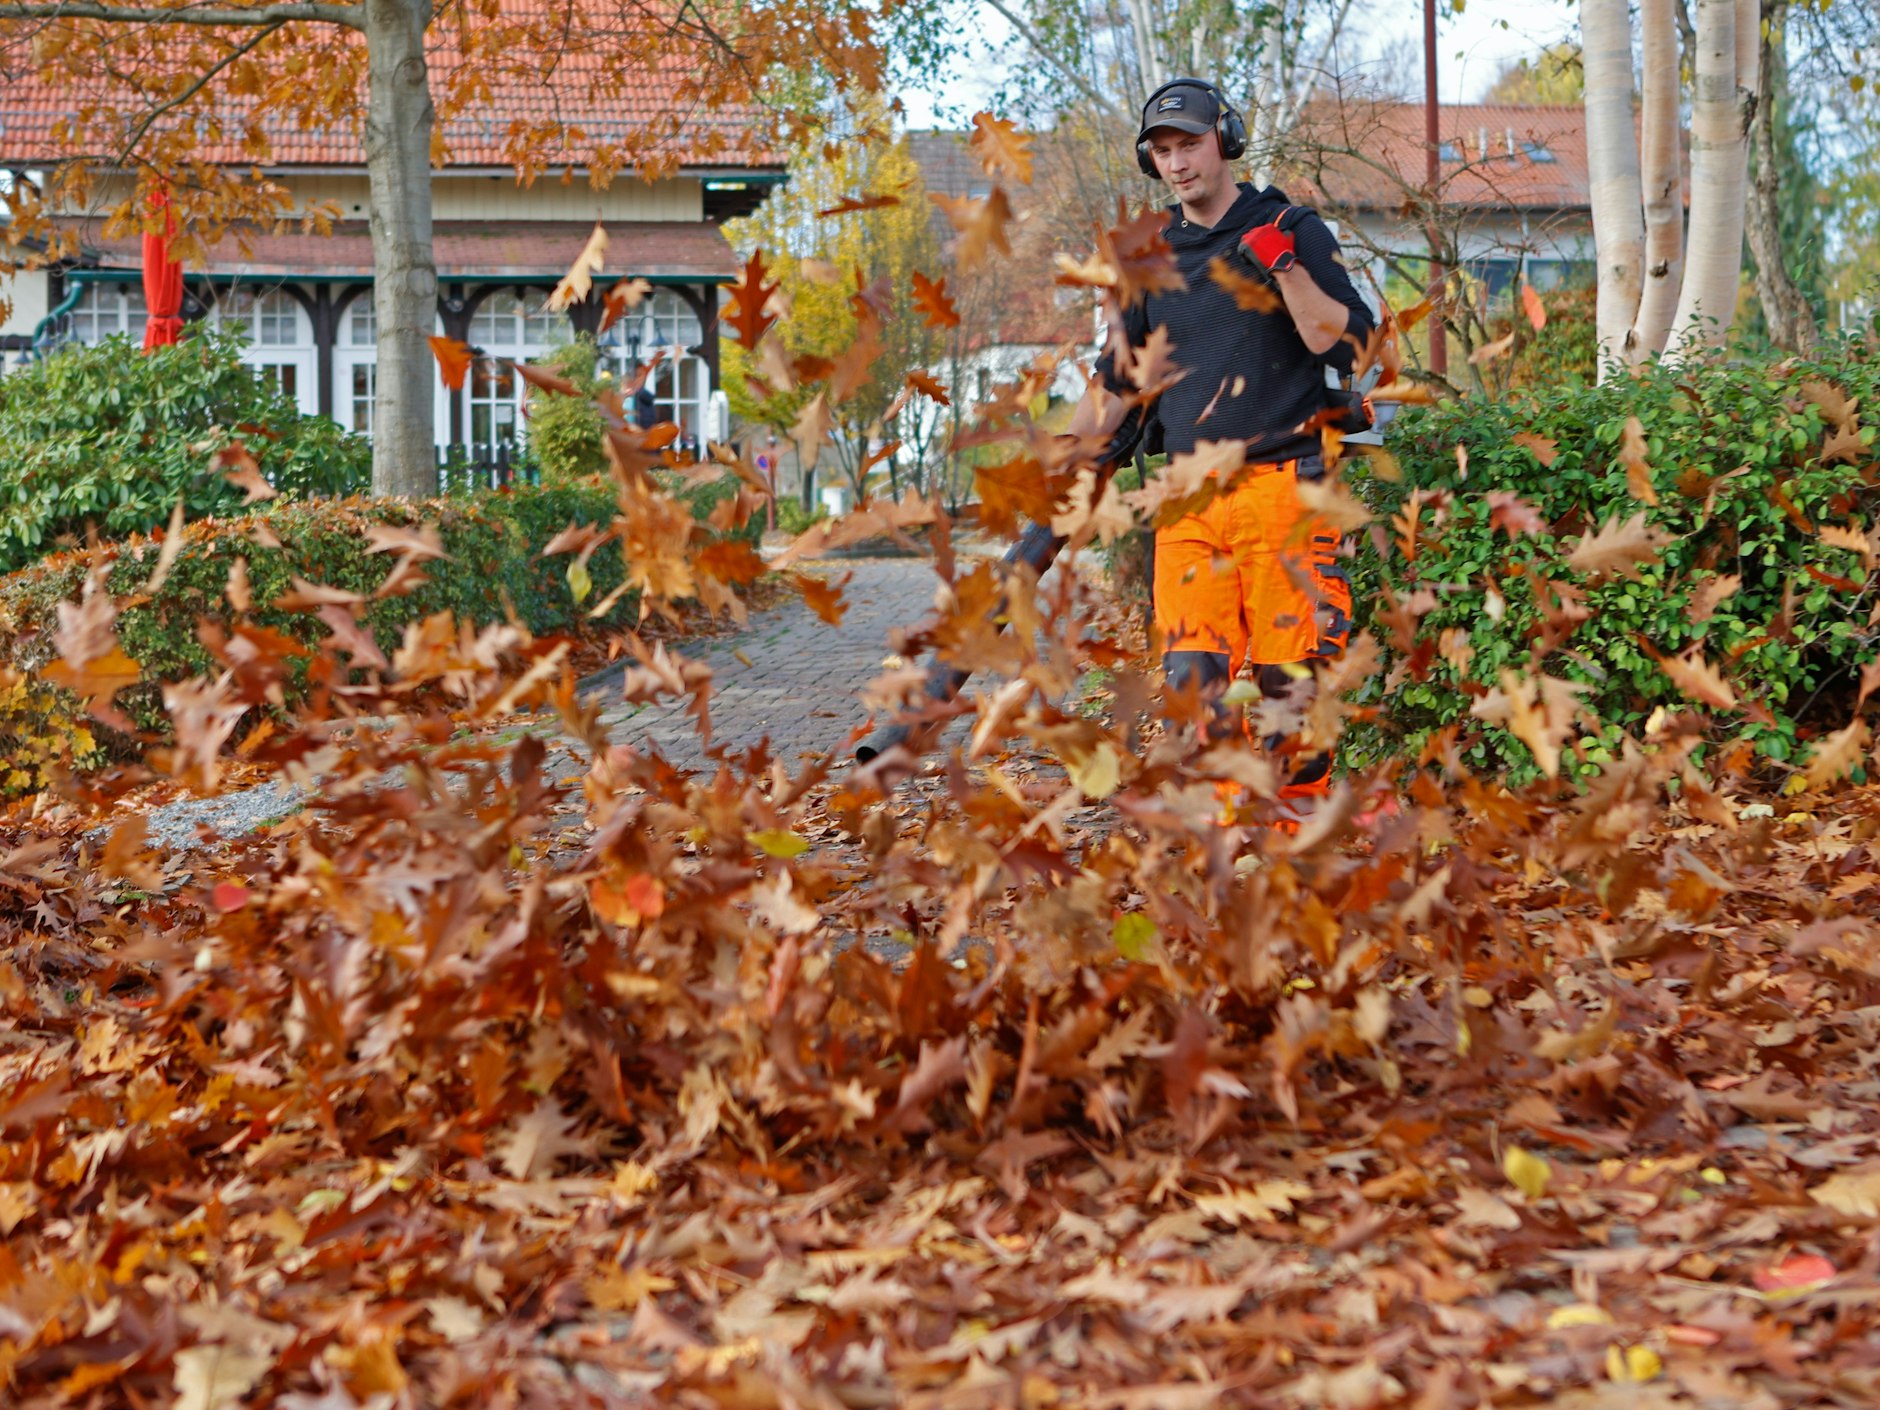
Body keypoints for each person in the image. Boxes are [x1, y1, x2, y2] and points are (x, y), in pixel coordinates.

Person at [1069, 76, 1376, 805]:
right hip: (1188, 501)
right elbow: (1115, 386)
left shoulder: (1290, 228)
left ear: (1225, 142)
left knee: (1288, 696)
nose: (1178, 163)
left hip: (1284, 490)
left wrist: (1284, 265)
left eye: (1191, 144)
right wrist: (1063, 461)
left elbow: (1348, 348)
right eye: (1163, 151)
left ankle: (1296, 862)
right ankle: (1223, 874)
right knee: (1192, 692)